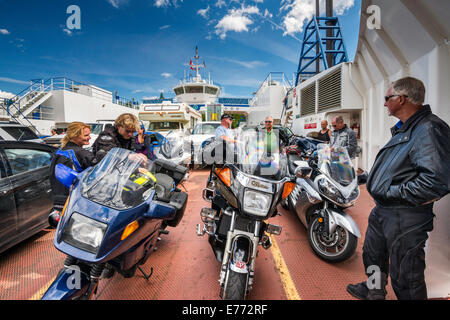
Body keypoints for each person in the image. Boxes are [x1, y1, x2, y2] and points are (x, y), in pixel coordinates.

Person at [346, 77, 450, 300]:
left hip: (405, 216)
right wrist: (369, 178)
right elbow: (398, 168)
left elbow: (436, 181)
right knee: (373, 256)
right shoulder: (406, 129)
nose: (384, 103)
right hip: (384, 210)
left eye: (387, 98)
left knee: (406, 273)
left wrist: (390, 193)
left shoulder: (429, 128)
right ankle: (373, 290)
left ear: (401, 99)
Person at [50, 122, 95, 211]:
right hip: (74, 202)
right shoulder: (81, 153)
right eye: (86, 135)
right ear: (75, 136)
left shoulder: (60, 150)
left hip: (57, 199)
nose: (89, 137)